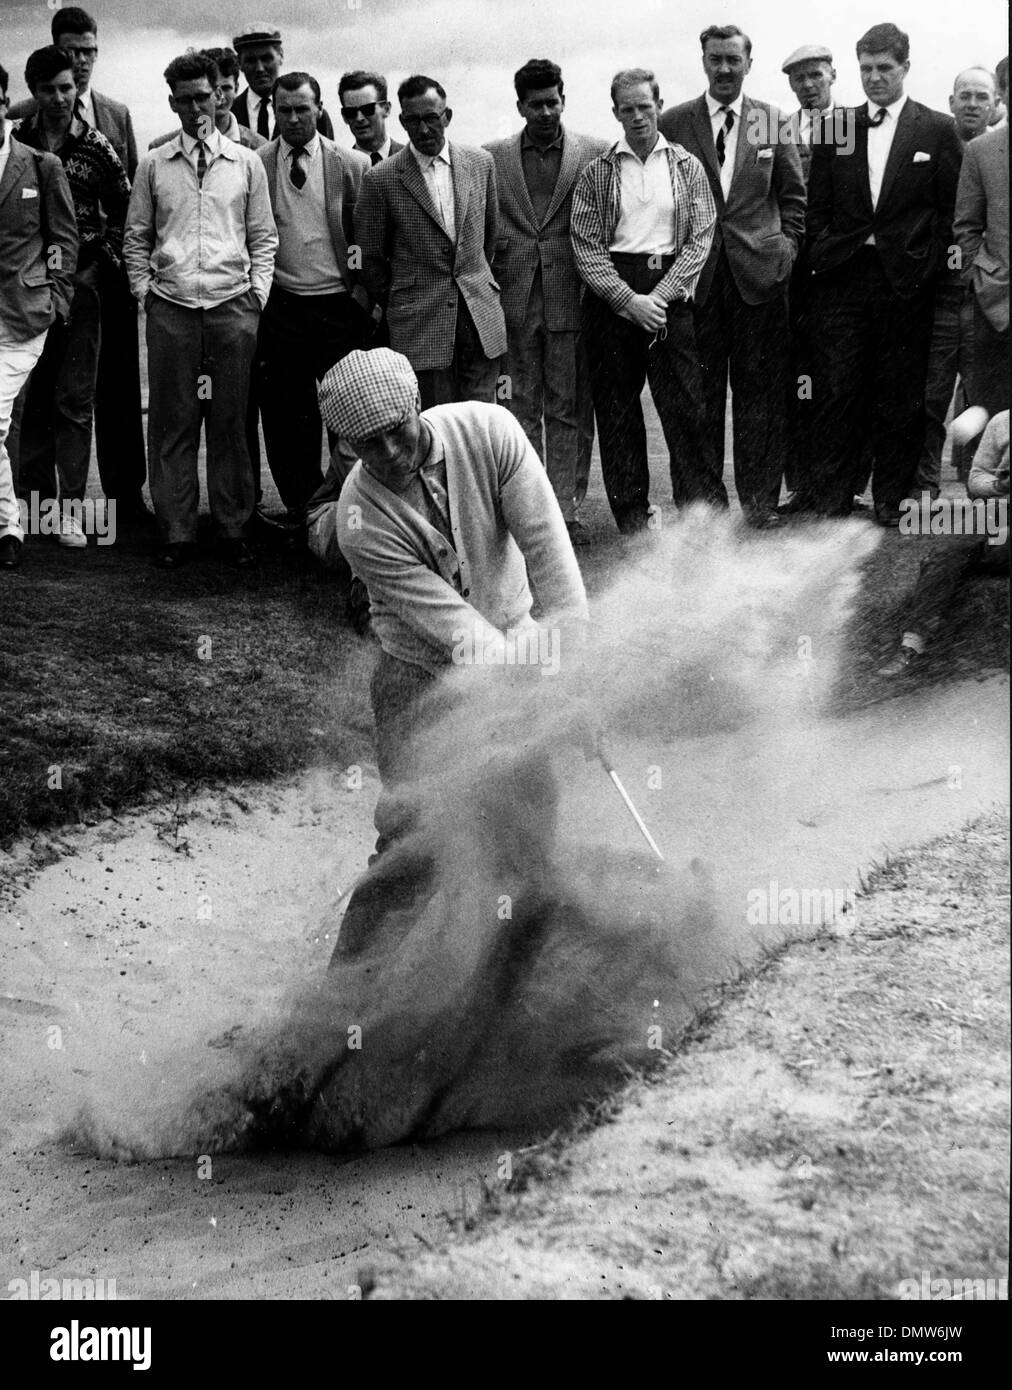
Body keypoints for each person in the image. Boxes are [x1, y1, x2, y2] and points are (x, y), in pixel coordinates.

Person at [308, 347, 588, 858]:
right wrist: (548, 697)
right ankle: (383, 931)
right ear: (345, 445)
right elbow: (464, 635)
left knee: (529, 809)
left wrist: (572, 676)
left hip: (516, 635)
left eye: (398, 428)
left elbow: (552, 560)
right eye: (370, 444)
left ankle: (516, 924)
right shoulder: (358, 517)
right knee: (411, 826)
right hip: (416, 672)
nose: (391, 451)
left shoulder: (491, 431)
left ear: (416, 402)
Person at [123, 50, 277, 570]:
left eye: (203, 97)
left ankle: (233, 528)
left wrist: (255, 296)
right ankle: (177, 532)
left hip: (233, 308)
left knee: (231, 422)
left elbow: (263, 238)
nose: (195, 108)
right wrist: (146, 293)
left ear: (220, 95)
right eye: (184, 100)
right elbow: (136, 238)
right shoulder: (154, 164)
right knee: (172, 421)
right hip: (172, 309)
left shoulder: (247, 162)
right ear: (172, 103)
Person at [806, 22, 963, 524]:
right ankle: (833, 500)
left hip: (906, 282)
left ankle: (893, 501)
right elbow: (817, 205)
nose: (874, 78)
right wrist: (827, 252)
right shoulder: (837, 125)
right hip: (846, 279)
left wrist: (925, 263)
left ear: (905, 69)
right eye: (866, 69)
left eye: (884, 68)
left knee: (899, 395)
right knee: (838, 388)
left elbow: (950, 212)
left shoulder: (937, 129)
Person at [660, 25, 806, 528]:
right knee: (697, 397)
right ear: (703, 61)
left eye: (733, 60)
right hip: (696, 280)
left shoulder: (773, 121)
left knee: (760, 396)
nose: (724, 69)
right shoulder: (673, 122)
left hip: (758, 279)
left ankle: (761, 503)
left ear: (749, 61)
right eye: (716, 59)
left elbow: (794, 198)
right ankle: (703, 506)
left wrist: (785, 249)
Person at [9, 6, 146, 525]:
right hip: (27, 284)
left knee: (97, 391)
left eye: (89, 52)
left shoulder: (112, 119)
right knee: (35, 391)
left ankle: (120, 500)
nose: (80, 65)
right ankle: (35, 503)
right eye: (71, 52)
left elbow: (128, 206)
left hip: (92, 281)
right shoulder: (17, 127)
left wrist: (104, 267)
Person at [571, 68, 718, 534]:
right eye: (627, 109)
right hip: (615, 296)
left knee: (687, 409)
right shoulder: (597, 171)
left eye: (645, 107)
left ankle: (700, 515)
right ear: (615, 111)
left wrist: (660, 296)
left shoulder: (686, 166)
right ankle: (633, 518)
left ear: (658, 105)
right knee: (617, 411)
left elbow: (700, 237)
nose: (637, 117)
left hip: (668, 293)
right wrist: (627, 301)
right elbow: (586, 245)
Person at [484, 58, 607, 545]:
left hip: (571, 299)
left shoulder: (595, 153)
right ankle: (527, 509)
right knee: (520, 408)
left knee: (569, 409)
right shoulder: (491, 158)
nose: (546, 112)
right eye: (535, 105)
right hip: (512, 303)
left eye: (553, 102)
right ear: (520, 106)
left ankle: (565, 510)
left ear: (564, 98)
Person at [353, 75, 508, 409]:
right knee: (436, 425)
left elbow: (489, 238)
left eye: (431, 119)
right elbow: (369, 260)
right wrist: (405, 298)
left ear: (447, 116)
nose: (423, 129)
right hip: (421, 327)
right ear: (401, 120)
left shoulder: (481, 163)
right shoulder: (380, 180)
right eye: (412, 121)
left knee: (481, 426)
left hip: (479, 321)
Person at [255, 72, 370, 517]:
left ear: (319, 109)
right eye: (284, 109)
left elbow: (364, 237)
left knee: (349, 415)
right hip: (283, 307)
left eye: (303, 108)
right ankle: (305, 513)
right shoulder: (257, 163)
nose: (294, 118)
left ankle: (350, 510)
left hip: (339, 307)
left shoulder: (351, 163)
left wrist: (360, 295)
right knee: (288, 419)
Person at [0, 61, 78, 573]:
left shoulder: (40, 164)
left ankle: (7, 525)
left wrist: (56, 296)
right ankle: (9, 525)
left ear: (5, 103)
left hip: (23, 315)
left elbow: (62, 240)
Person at [911, 67, 998, 498]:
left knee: (983, 395)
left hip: (986, 296)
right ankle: (924, 482)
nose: (972, 104)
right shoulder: (931, 150)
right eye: (964, 96)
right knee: (932, 393)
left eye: (982, 97)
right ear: (951, 102)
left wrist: (981, 278)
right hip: (939, 293)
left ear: (995, 104)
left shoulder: (998, 152)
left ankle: (977, 485)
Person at [878, 410, 1008, 676]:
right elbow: (977, 477)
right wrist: (999, 484)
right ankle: (912, 646)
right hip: (997, 509)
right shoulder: (1003, 421)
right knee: (946, 552)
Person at [779, 44, 836, 506]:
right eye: (799, 79)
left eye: (815, 76)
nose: (808, 86)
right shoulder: (779, 128)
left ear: (832, 75)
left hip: (839, 270)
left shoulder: (855, 126)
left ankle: (842, 483)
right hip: (794, 273)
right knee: (795, 377)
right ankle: (800, 484)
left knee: (839, 376)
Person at [954, 114, 1009, 419]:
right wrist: (982, 278)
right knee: (995, 416)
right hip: (998, 303)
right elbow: (966, 227)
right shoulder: (981, 149)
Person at [149, 47, 268, 153]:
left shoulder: (259, 148)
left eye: (226, 88)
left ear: (236, 88)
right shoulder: (160, 149)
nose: (220, 97)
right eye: (206, 93)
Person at [231, 24, 335, 141]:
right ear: (239, 63)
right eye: (250, 60)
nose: (259, 68)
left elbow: (328, 155)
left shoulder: (313, 114)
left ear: (281, 55)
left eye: (266, 58)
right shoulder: (228, 113)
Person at [338, 70, 404, 163]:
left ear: (386, 109)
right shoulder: (340, 168)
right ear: (344, 116)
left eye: (367, 109)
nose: (359, 118)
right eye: (350, 112)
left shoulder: (411, 160)